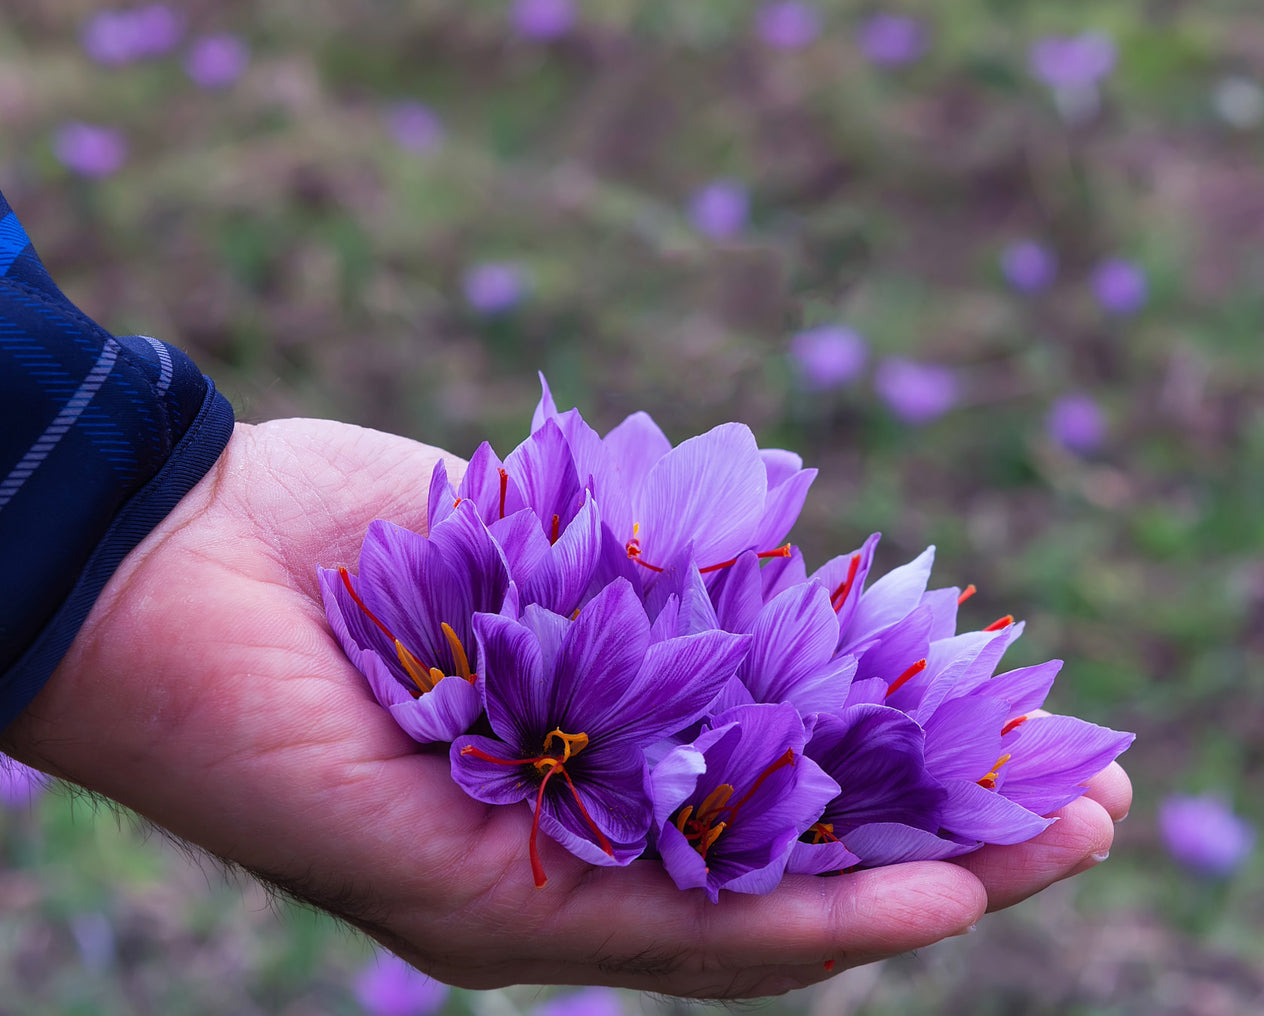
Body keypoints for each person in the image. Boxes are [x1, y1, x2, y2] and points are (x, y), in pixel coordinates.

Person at [0, 190, 1130, 998]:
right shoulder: (534, 708)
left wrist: (116, 519)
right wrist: (132, 530)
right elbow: (571, 726)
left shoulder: (616, 721)